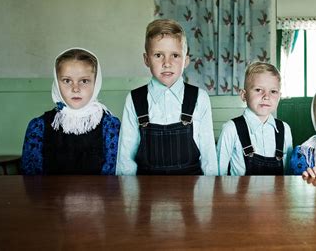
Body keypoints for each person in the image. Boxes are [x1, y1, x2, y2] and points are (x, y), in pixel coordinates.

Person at [116, 19, 217, 175]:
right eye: (158, 55)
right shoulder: (135, 98)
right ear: (146, 59)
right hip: (146, 187)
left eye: (175, 55)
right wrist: (127, 194)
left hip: (191, 187)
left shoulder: (199, 97)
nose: (167, 63)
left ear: (186, 60)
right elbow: (126, 155)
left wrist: (209, 192)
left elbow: (208, 152)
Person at [21, 48, 120, 175]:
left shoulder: (110, 126)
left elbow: (112, 178)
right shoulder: (38, 126)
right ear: (57, 83)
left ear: (96, 82)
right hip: (50, 195)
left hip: (98, 194)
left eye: (84, 81)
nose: (75, 89)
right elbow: (31, 179)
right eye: (67, 81)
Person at [217, 62, 293, 176]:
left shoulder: (284, 129)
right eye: (258, 90)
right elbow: (219, 172)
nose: (266, 96)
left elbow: (288, 173)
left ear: (279, 96)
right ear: (244, 95)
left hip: (277, 193)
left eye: (273, 91)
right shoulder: (231, 128)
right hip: (241, 193)